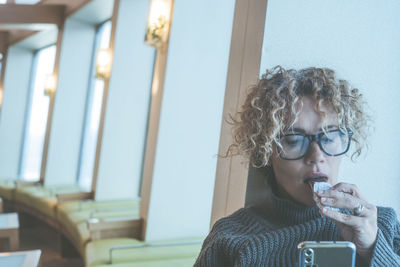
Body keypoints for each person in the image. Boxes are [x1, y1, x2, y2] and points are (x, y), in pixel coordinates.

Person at [194, 66, 400, 267]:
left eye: (329, 137)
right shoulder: (230, 237)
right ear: (265, 151)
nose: (317, 156)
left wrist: (372, 249)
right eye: (294, 140)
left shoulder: (381, 225)